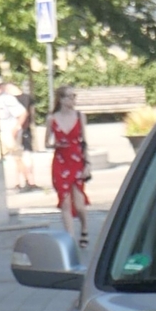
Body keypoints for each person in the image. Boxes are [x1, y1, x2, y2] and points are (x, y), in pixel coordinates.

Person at [47, 84, 90, 244]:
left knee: (79, 204)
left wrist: (87, 163)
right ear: (62, 99)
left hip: (76, 160)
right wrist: (55, 145)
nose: (73, 100)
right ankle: (70, 238)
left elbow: (84, 142)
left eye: (74, 96)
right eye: (70, 96)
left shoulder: (79, 116)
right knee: (64, 201)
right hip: (60, 161)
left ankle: (84, 227)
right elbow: (46, 142)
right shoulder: (52, 119)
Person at [0, 78, 33, 190]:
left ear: (2, 86)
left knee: (17, 157)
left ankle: (29, 181)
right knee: (9, 159)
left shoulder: (8, 98)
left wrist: (16, 128)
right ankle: (18, 182)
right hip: (1, 131)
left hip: (9, 131)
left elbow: (23, 113)